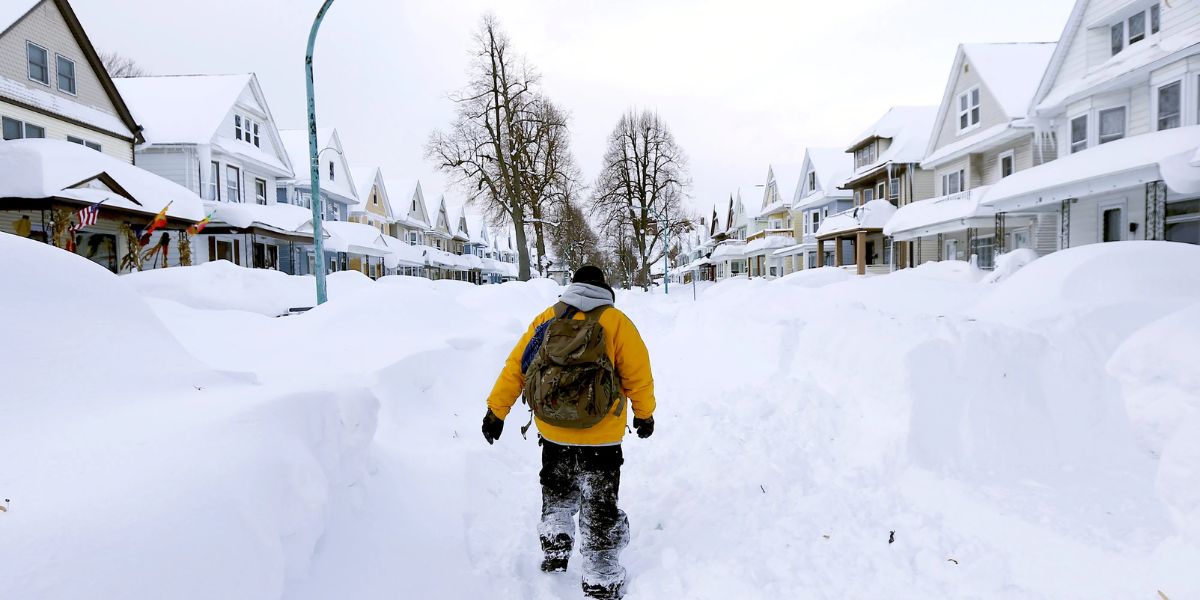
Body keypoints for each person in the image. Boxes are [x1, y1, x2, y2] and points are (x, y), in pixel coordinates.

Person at [482, 265, 655, 600]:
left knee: (557, 486)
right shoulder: (617, 322)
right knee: (600, 502)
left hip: (554, 429)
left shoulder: (547, 317)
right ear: (605, 289)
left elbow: (517, 367)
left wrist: (496, 411)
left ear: (572, 286)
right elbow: (638, 375)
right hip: (601, 434)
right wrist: (644, 415)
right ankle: (601, 576)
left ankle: (556, 538)